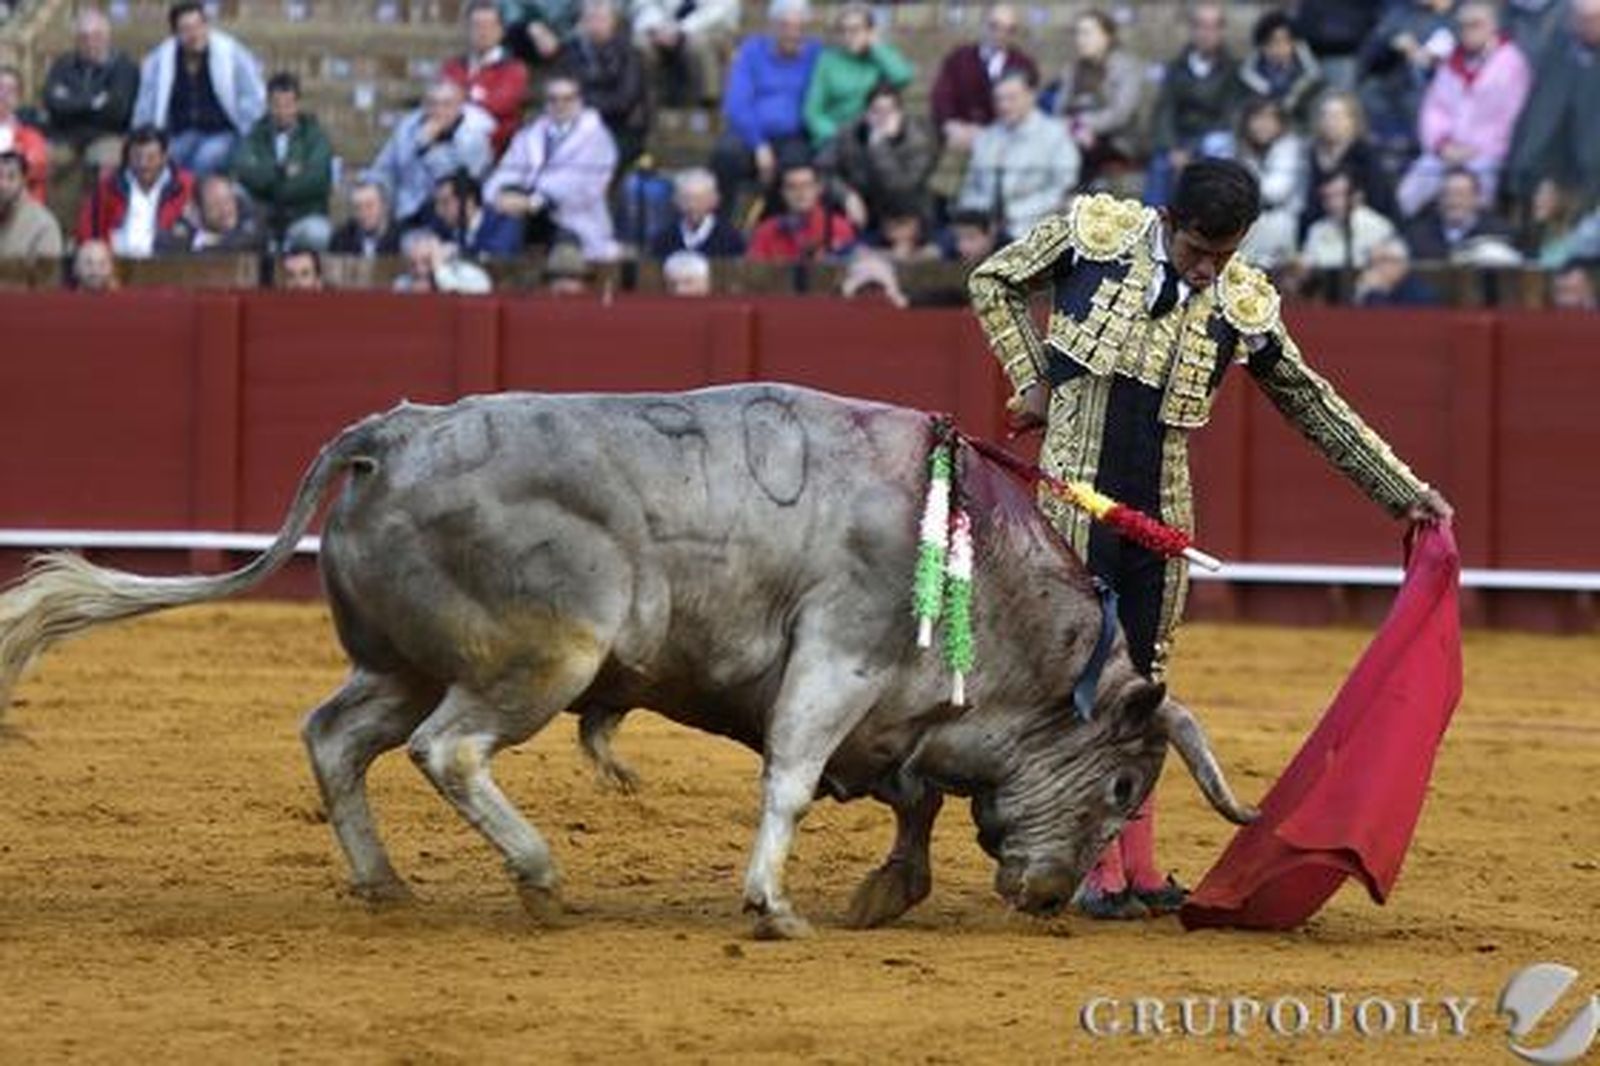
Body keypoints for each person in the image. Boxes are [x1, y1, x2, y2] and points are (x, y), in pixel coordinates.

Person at [967, 158, 1453, 920]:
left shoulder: (1240, 299)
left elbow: (1309, 402)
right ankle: (1091, 865)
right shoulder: (1096, 238)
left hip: (1162, 511)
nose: (1206, 271)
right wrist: (1032, 379)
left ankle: (1142, 868)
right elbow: (991, 280)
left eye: (1223, 256)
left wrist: (1402, 491)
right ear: (1167, 220)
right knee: (1082, 676)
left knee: (1147, 681)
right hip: (1075, 494)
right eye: (1198, 251)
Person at [1396, 2, 1531, 218]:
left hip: (1489, 157)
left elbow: (1510, 118)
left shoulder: (1511, 63)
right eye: (1463, 26)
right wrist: (1441, 144)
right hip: (1446, 153)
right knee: (1408, 194)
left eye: (1475, 25)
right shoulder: (1451, 63)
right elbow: (1434, 109)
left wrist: (1474, 149)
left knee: (1478, 194)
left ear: (1493, 26)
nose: (1468, 31)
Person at [485, 75, 619, 259]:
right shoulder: (530, 134)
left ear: (579, 100)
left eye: (567, 99)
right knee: (497, 222)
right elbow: (508, 169)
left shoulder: (597, 138)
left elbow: (578, 185)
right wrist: (500, 194)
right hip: (527, 215)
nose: (560, 105)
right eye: (553, 99)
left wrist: (534, 201)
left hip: (574, 220)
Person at [132, 2, 265, 177]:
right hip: (178, 133)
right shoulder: (160, 61)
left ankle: (188, 200)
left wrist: (248, 135)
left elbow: (252, 96)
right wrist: (143, 139)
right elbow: (146, 104)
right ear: (175, 34)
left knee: (204, 160)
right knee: (165, 161)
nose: (194, 34)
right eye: (186, 29)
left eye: (198, 26)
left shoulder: (230, 53)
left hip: (221, 133)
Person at [711, 0, 820, 207]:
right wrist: (759, 144)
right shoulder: (752, 51)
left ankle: (775, 230)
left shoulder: (815, 53)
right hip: (749, 134)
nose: (792, 34)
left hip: (794, 136)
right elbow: (736, 104)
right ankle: (722, 226)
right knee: (725, 155)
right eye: (785, 26)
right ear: (772, 26)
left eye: (799, 28)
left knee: (794, 166)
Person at [955, 70, 1079, 241]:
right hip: (984, 229)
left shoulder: (1055, 135)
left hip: (1035, 227)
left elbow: (1064, 190)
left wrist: (1013, 213)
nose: (1004, 106)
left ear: (1031, 96)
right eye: (999, 99)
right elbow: (970, 188)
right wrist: (981, 217)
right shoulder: (986, 137)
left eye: (1011, 98)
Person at [1504, 0, 1600, 211]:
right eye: (1582, 20)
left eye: (1593, 20)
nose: (1587, 26)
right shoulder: (1559, 49)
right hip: (1552, 168)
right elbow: (1541, 114)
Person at [41, 9, 140, 207]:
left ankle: (95, 227)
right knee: (37, 161)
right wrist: (94, 102)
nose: (90, 43)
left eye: (97, 36)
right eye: (83, 37)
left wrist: (72, 101)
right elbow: (52, 103)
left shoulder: (124, 66)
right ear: (76, 40)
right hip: (64, 135)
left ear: (107, 37)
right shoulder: (63, 64)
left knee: (104, 167)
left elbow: (117, 112)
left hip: (108, 135)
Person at [368, 80, 494, 226]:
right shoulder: (408, 128)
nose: (438, 111)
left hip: (449, 216)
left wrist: (427, 148)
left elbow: (458, 184)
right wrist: (378, 192)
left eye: (446, 104)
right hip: (406, 210)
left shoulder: (474, 138)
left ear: (460, 107)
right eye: (432, 104)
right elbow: (384, 167)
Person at [230, 72, 333, 250]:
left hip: (303, 216)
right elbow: (244, 171)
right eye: (277, 105)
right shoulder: (256, 134)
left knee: (318, 234)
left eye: (288, 105)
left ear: (297, 104)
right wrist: (281, 172)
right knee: (235, 193)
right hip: (263, 217)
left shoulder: (315, 137)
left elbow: (318, 180)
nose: (283, 112)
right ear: (268, 105)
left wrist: (271, 186)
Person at [1049, 10, 1145, 189]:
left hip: (1115, 139)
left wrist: (1083, 125)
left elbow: (1121, 114)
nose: (1080, 39)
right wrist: (1075, 129)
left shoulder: (1127, 67)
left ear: (1106, 36)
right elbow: (1058, 110)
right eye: (1078, 33)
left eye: (1087, 33)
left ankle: (1076, 201)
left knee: (1079, 151)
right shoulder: (1072, 70)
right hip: (1074, 136)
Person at [824, 83, 937, 231]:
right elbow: (823, 169)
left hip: (906, 216)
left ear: (900, 113)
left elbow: (901, 188)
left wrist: (880, 146)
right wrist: (846, 196)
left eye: (889, 111)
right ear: (867, 113)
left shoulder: (918, 140)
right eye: (877, 111)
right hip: (863, 210)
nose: (883, 117)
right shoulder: (851, 132)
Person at [801, 3, 913, 151]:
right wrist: (838, 136)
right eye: (843, 30)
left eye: (855, 30)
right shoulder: (828, 61)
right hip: (835, 138)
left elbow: (903, 77)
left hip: (873, 136)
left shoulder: (881, 56)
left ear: (870, 31)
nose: (848, 36)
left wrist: (876, 46)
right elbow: (812, 112)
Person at [930, 3, 1038, 153]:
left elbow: (1026, 108)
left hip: (1006, 141)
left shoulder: (1023, 64)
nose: (1001, 34)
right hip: (961, 136)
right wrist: (951, 125)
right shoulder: (959, 58)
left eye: (1009, 29)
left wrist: (990, 135)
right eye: (995, 26)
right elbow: (942, 96)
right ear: (983, 24)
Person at [1355, 0, 1456, 157]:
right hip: (1392, 90)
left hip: (1438, 97)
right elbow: (1369, 53)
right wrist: (1391, 42)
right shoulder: (1401, 14)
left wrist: (1432, 58)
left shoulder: (1462, 15)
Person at [76, 125, 193, 258]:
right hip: (116, 264)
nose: (143, 164)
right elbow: (87, 229)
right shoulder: (109, 187)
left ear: (164, 157)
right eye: (137, 157)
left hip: (168, 265)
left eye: (151, 158)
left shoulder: (184, 186)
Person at [557, 0, 647, 167]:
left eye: (601, 19)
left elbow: (625, 101)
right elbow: (565, 92)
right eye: (590, 19)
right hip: (577, 125)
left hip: (618, 128)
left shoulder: (629, 52)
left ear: (613, 21)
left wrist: (585, 102)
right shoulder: (571, 52)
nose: (595, 24)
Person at [1300, 91, 1395, 239]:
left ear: (1353, 121)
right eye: (1325, 116)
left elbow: (1379, 198)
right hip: (1320, 224)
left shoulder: (1366, 152)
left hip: (1363, 223)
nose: (1330, 122)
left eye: (1337, 116)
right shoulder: (1312, 153)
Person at [443, 1, 530, 157]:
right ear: (467, 30)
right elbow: (441, 99)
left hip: (492, 145)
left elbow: (498, 106)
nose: (483, 33)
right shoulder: (454, 66)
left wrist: (461, 97)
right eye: (477, 26)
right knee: (411, 123)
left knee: (468, 127)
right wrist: (473, 95)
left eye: (489, 26)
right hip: (448, 135)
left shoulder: (513, 69)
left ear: (501, 31)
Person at [1230, 98, 1306, 268]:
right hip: (1246, 224)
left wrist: (1246, 170)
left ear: (1281, 123)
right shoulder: (1234, 147)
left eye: (1271, 119)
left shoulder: (1290, 147)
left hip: (1280, 222)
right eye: (1258, 118)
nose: (1264, 125)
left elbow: (1275, 192)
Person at [631, 0, 738, 107]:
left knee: (697, 47)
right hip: (664, 25)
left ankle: (705, 110)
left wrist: (681, 30)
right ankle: (648, 108)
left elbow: (719, 11)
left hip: (712, 27)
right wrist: (656, 28)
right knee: (640, 45)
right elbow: (645, 4)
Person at [746, 161, 855, 261]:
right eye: (792, 187)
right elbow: (753, 274)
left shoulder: (838, 227)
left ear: (818, 188)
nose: (800, 193)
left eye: (807, 185)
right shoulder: (766, 231)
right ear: (782, 192)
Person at [1403, 166, 1517, 262]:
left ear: (1476, 198)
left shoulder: (1498, 233)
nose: (1454, 201)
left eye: (1461, 194)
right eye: (1447, 194)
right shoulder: (1418, 235)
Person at [1301, 169, 1399, 270]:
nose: (1333, 204)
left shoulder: (1378, 226)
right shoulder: (1317, 230)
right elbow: (1308, 264)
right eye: (1327, 198)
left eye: (1338, 195)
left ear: (1357, 196)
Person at [1238, 11, 1323, 128]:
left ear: (1294, 44)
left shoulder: (1312, 81)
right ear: (1262, 47)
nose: (1279, 48)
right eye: (1272, 42)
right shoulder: (1247, 81)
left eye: (1285, 41)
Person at [155, 172, 265, 254]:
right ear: (198, 211)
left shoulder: (253, 218)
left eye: (227, 200)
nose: (225, 210)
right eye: (215, 205)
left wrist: (207, 242)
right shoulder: (186, 227)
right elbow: (164, 246)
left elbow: (243, 243)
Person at [649, 166, 745, 258]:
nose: (692, 206)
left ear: (714, 200)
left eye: (699, 200)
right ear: (676, 201)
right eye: (686, 199)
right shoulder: (664, 238)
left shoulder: (730, 239)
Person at [427, 170, 523, 259]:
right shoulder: (442, 226)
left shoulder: (504, 220)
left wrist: (457, 252)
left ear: (469, 201)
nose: (438, 211)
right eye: (436, 203)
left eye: (445, 202)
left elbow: (494, 256)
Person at [0, 150, 61, 260]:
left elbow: (45, 274)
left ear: (23, 180)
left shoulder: (43, 224)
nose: (2, 184)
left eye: (11, 177)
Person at [0, 65, 48, 203]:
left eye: (10, 90)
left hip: (18, 209)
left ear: (18, 98)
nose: (3, 95)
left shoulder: (31, 136)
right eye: (0, 88)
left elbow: (36, 167)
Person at [394, 228, 493, 293]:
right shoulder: (403, 283)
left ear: (438, 256)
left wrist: (439, 270)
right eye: (412, 264)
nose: (420, 270)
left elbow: (484, 287)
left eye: (426, 261)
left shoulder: (461, 272)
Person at [1354, 236, 1439, 306]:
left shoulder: (1420, 295)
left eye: (1383, 260)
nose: (1376, 267)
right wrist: (1361, 294)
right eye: (1372, 262)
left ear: (1402, 264)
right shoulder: (1370, 287)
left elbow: (1390, 322)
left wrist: (1376, 293)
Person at [329, 179, 401, 257]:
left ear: (384, 206)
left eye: (369, 206)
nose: (363, 213)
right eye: (357, 207)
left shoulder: (401, 237)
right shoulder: (342, 238)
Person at [501, 0, 582, 67]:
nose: (545, 39)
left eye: (541, 42)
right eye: (549, 36)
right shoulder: (557, 14)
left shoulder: (512, 16)